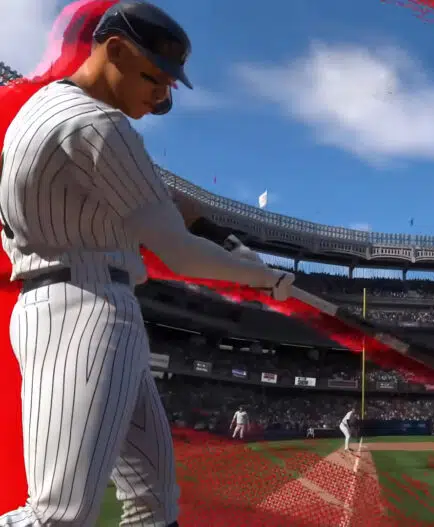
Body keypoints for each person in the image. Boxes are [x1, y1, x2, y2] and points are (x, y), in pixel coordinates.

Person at [0, 2, 295, 526]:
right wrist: (264, 277)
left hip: (87, 302)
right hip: (82, 310)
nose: (162, 96)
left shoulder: (46, 108)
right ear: (114, 50)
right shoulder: (97, 122)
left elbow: (146, 202)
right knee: (58, 515)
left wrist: (204, 228)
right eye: (153, 78)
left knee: (154, 500)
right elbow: (178, 252)